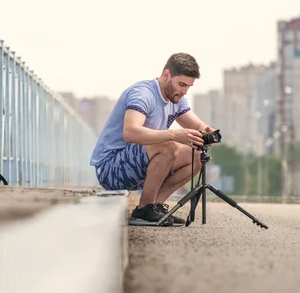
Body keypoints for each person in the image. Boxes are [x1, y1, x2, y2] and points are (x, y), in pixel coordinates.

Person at [90, 53, 215, 227]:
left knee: (197, 157)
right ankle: (144, 210)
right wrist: (174, 135)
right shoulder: (143, 94)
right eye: (181, 84)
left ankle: (154, 206)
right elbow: (130, 132)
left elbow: (197, 125)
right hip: (111, 168)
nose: (184, 91)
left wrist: (208, 133)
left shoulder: (176, 99)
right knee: (168, 146)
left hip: (137, 164)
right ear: (166, 75)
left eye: (188, 87)